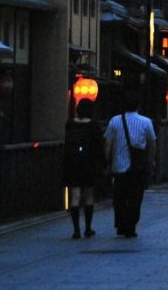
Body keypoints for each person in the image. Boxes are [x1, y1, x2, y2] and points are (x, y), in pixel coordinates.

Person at [104, 91, 156, 238]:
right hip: (138, 167)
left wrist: (107, 160)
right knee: (135, 197)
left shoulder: (114, 121)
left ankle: (121, 224)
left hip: (119, 166)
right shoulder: (146, 122)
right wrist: (151, 161)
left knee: (119, 197)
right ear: (138, 105)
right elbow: (152, 143)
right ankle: (131, 225)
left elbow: (108, 143)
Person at [62, 98, 105, 239]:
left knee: (75, 196)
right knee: (88, 195)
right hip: (89, 163)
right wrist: (103, 163)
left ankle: (76, 230)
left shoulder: (70, 124)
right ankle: (87, 228)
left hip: (72, 163)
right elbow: (99, 146)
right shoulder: (94, 125)